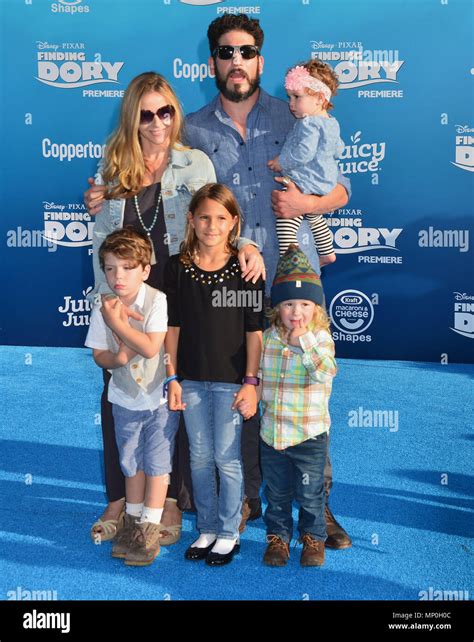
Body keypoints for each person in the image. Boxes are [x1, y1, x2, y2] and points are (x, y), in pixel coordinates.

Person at [184, 13, 352, 548]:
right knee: (243, 384)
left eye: (247, 52)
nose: (238, 62)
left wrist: (308, 203)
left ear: (262, 60)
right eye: (227, 52)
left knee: (302, 387)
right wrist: (103, 193)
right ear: (212, 61)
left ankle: (315, 509)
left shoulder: (298, 114)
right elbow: (162, 191)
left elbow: (341, 189)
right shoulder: (191, 129)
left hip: (293, 275)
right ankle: (247, 498)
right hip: (227, 281)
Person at [84, 71, 264, 545]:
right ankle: (121, 497)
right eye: (147, 114)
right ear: (132, 118)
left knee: (173, 397)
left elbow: (215, 218)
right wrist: (109, 308)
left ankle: (167, 499)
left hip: (181, 302)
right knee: (121, 397)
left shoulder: (195, 163)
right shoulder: (112, 168)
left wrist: (247, 246)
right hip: (127, 298)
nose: (158, 122)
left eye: (166, 111)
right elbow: (102, 243)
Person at [164, 183, 264, 566]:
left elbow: (253, 332)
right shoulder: (178, 268)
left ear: (233, 223)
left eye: (221, 218)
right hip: (189, 379)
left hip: (232, 382)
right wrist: (172, 378)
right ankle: (205, 528)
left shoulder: (245, 271)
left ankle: (227, 532)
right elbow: (172, 329)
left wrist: (251, 382)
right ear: (191, 219)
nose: (211, 225)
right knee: (200, 457)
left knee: (227, 458)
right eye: (204, 216)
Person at [85, 228, 179, 566]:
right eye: (110, 268)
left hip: (157, 399)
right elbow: (99, 354)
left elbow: (152, 346)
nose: (117, 276)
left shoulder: (157, 301)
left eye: (126, 267)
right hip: (124, 399)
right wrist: (118, 359)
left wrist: (117, 324)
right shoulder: (103, 305)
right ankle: (133, 521)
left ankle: (149, 529)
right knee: (130, 462)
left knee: (156, 464)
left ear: (145, 270)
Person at [258, 244, 337, 567]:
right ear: (277, 307)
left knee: (310, 493)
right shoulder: (268, 338)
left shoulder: (319, 339)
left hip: (309, 435)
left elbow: (324, 371)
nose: (296, 312)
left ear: (316, 308)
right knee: (275, 495)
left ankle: (313, 538)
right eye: (288, 303)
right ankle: (278, 538)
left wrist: (304, 340)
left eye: (305, 304)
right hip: (273, 433)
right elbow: (260, 379)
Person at [268, 60, 344, 266]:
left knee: (286, 222)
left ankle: (289, 261)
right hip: (324, 181)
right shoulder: (332, 122)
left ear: (320, 98)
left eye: (297, 97)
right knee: (314, 216)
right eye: (289, 97)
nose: (290, 103)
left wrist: (281, 162)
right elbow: (339, 149)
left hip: (305, 180)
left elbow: (303, 153)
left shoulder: (308, 123)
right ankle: (327, 252)